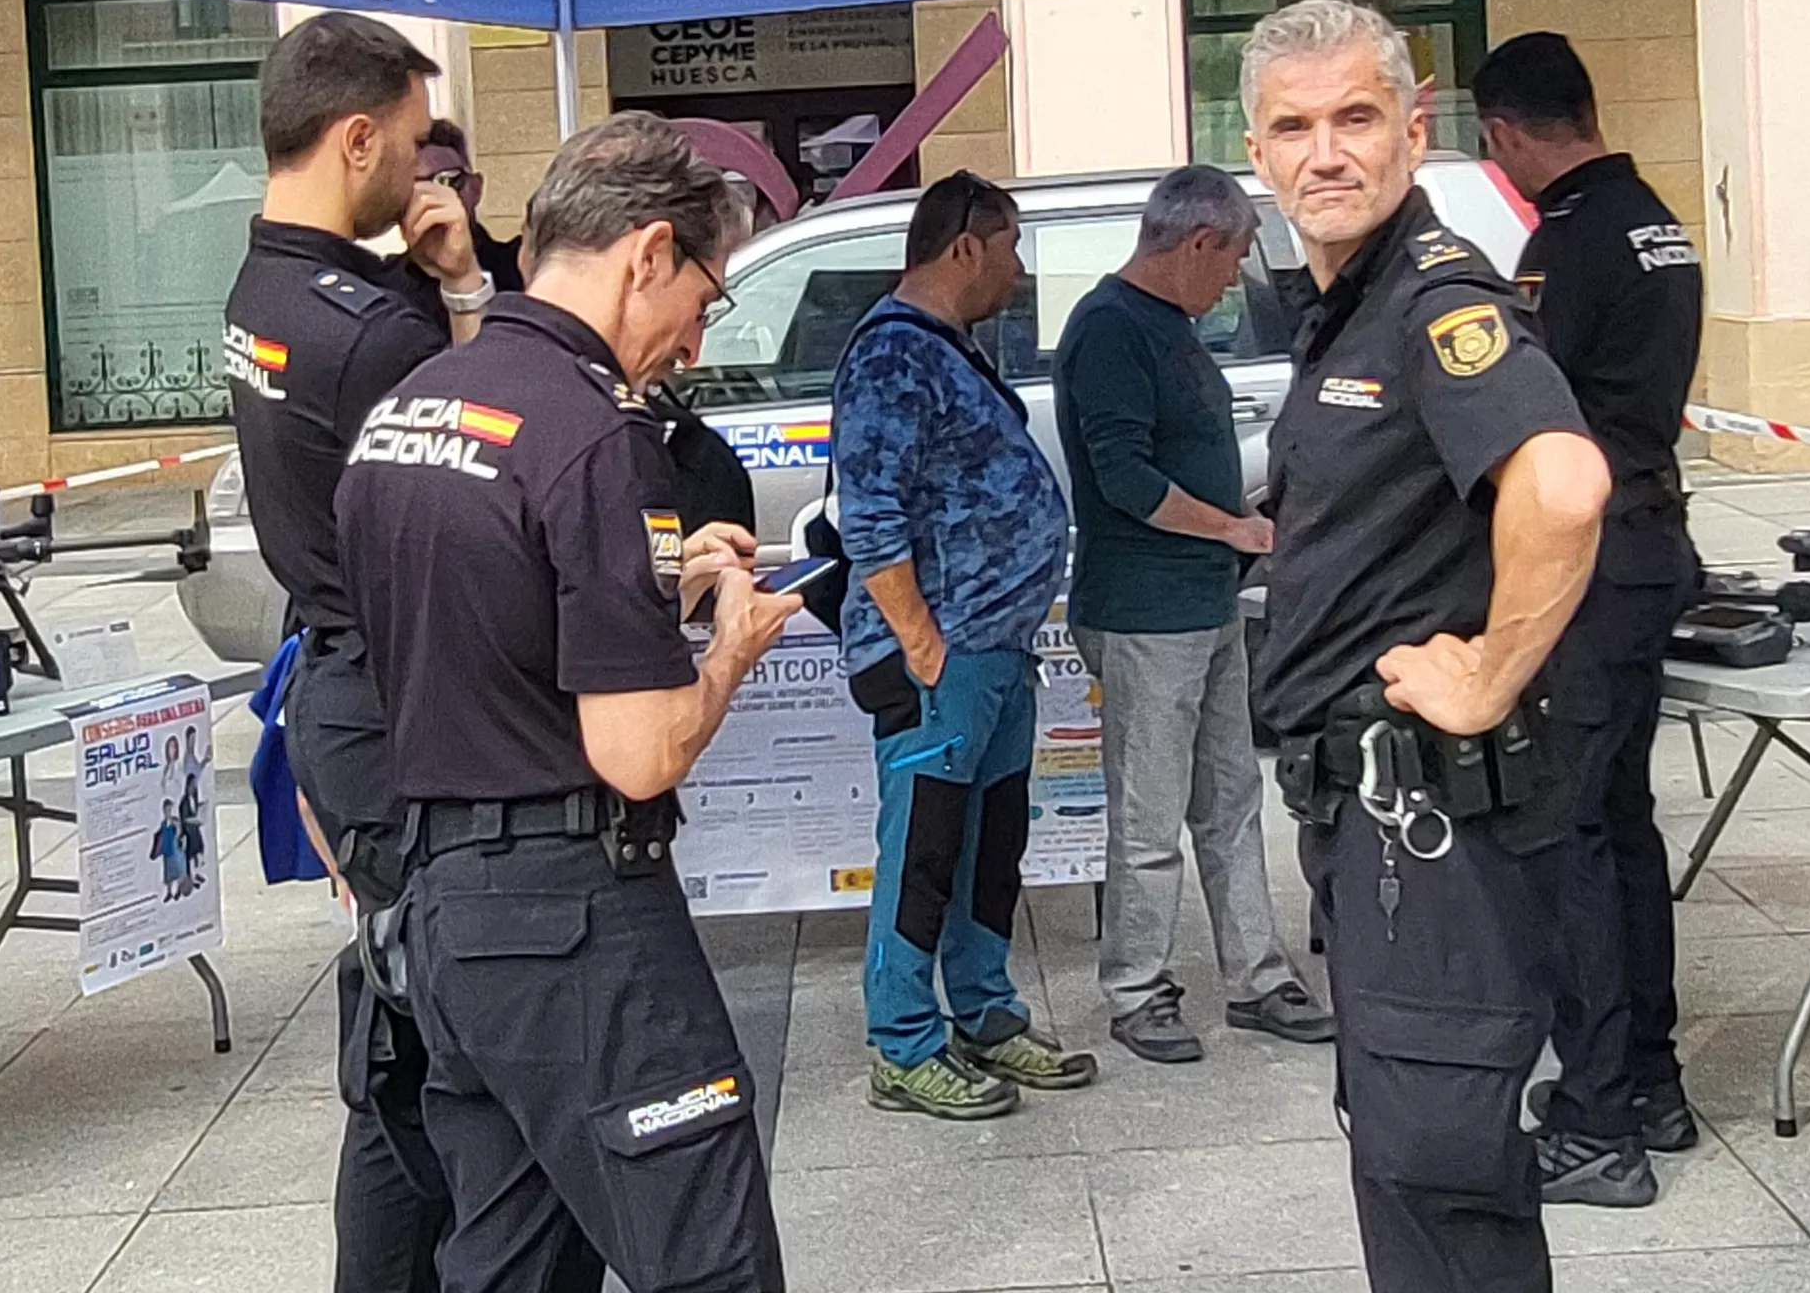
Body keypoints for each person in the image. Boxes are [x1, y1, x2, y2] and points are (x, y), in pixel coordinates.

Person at [335, 112, 801, 1293]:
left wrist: (654, 581)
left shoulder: (410, 411)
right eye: (706, 293)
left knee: (509, 1262)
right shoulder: (599, 437)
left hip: (445, 917)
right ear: (647, 254)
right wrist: (730, 649)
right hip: (578, 918)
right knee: (707, 1253)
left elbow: (474, 615)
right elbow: (640, 752)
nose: (696, 335)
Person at [1241, 0, 1611, 1293]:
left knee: (1441, 1177)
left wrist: (1493, 668)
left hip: (1428, 832)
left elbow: (1561, 486)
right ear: (1257, 151)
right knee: (1406, 1157)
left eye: (1356, 117)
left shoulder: (1433, 295)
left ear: (1416, 126)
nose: (1325, 152)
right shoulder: (1345, 306)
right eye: (1295, 125)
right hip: (1370, 824)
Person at [217, 12, 502, 1293]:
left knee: (403, 1023)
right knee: (424, 1054)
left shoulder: (264, 285)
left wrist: (437, 277)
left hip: (337, 688)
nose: (423, 175)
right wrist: (457, 303)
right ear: (353, 137)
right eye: (410, 148)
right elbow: (473, 473)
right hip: (395, 705)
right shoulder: (367, 329)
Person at [1475, 32, 1710, 1206]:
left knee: (1565, 837)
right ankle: (1648, 1080)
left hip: (1592, 563)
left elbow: (1526, 406)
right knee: (1619, 829)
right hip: (1651, 543)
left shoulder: (1562, 245)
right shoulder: (1655, 219)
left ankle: (1594, 1116)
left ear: (1505, 134)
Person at [1052, 165, 1333, 1064]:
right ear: (1199, 240)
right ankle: (1138, 990)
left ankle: (1257, 975)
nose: (1234, 281)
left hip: (1201, 601)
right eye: (1235, 258)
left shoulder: (1168, 327)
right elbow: (1125, 480)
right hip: (1144, 609)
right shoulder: (1109, 330)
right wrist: (1240, 530)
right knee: (1150, 812)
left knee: (1232, 800)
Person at [830, 171, 1096, 1119]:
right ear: (966, 247)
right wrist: (921, 645)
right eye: (1013, 247)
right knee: (926, 850)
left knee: (992, 846)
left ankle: (984, 1009)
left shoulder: (949, 350)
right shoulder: (893, 356)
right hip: (943, 654)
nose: (1018, 272)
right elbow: (869, 515)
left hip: (997, 647)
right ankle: (903, 1041)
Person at [419, 119, 528, 295]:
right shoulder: (381, 284)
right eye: (413, 187)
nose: (433, 199)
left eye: (447, 181)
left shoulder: (522, 267)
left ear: (475, 188)